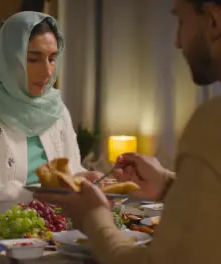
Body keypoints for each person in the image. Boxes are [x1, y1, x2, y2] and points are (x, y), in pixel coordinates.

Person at [36, 0, 221, 263]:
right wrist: (167, 185)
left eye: (181, 21)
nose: (178, 41)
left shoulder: (212, 123)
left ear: (213, 21)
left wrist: (94, 219)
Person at [0, 11, 98, 218]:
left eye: (52, 59)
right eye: (34, 59)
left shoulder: (56, 109)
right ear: (9, 59)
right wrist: (39, 195)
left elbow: (71, 174)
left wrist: (87, 179)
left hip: (58, 227)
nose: (48, 71)